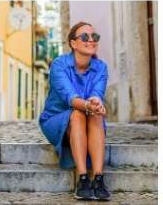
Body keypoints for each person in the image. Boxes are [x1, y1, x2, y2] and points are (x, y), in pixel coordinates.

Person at [38, 22, 111, 201]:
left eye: (95, 37)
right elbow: (69, 98)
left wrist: (97, 103)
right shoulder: (59, 65)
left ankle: (98, 179)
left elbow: (97, 93)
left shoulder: (101, 67)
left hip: (89, 119)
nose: (91, 40)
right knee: (77, 113)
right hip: (56, 119)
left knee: (93, 114)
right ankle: (83, 178)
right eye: (85, 37)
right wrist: (90, 105)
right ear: (73, 43)